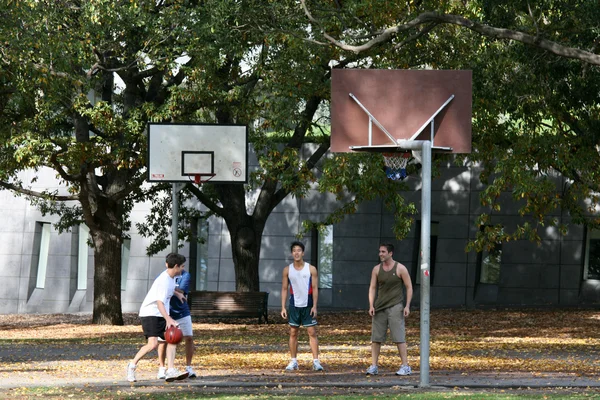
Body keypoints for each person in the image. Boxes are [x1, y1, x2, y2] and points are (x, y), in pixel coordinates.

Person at [127, 253, 189, 383]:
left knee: (172, 338)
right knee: (153, 344)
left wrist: (177, 294)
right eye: (182, 266)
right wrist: (168, 319)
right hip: (150, 314)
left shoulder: (171, 278)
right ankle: (132, 365)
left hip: (160, 314)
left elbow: (171, 290)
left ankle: (170, 370)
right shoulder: (163, 281)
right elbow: (159, 302)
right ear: (176, 266)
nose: (183, 269)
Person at [366, 243, 413, 376]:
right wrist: (371, 305)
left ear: (390, 253)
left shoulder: (400, 268)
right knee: (376, 338)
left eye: (383, 252)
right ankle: (374, 366)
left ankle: (405, 366)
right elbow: (372, 288)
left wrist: (407, 306)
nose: (380, 254)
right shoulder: (376, 269)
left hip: (395, 306)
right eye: (380, 252)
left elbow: (409, 287)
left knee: (399, 337)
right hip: (380, 307)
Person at [280, 241, 324, 371]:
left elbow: (315, 288)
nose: (296, 253)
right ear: (292, 253)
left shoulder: (311, 269)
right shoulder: (287, 270)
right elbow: (284, 288)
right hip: (294, 305)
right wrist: (283, 307)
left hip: (308, 305)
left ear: (303, 253)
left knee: (312, 332)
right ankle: (293, 361)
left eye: (299, 250)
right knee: (293, 333)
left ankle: (316, 361)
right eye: (294, 250)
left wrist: (315, 306)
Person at [157, 267, 197, 379]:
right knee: (163, 341)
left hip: (182, 312)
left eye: (182, 265)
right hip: (166, 312)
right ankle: (162, 368)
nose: (182, 267)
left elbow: (180, 291)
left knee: (189, 338)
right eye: (179, 265)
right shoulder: (162, 276)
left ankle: (188, 367)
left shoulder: (185, 275)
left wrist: (170, 289)